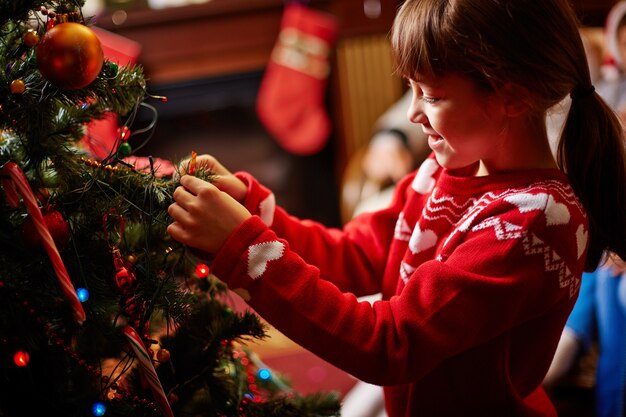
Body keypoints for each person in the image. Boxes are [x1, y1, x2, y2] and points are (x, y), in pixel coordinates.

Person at [167, 0, 626, 415]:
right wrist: (250, 213)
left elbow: (390, 343)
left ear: (513, 96)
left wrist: (245, 248)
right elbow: (355, 255)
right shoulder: (445, 171)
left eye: (431, 95)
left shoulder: (533, 221)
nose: (412, 113)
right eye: (411, 89)